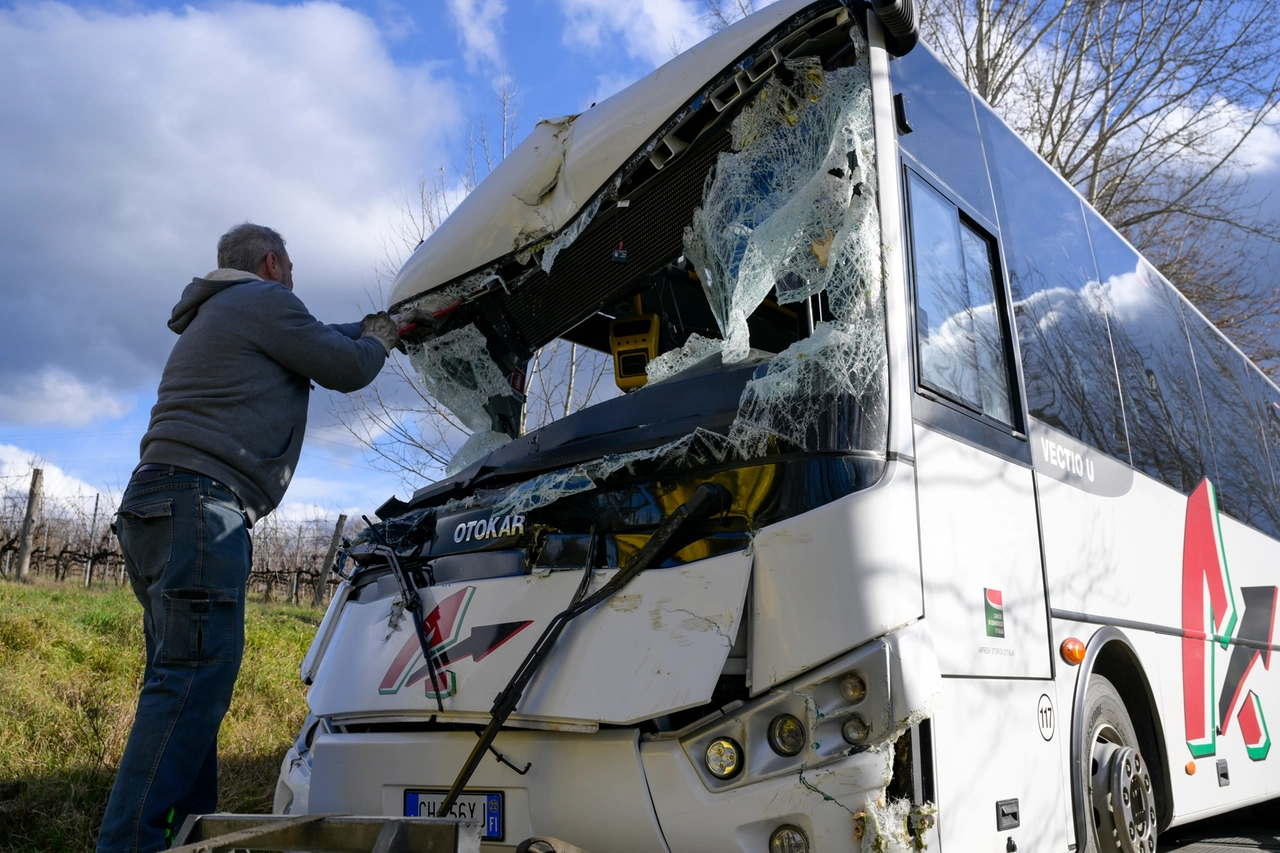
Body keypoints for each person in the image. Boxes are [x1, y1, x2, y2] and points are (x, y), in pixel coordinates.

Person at [97, 223, 401, 853]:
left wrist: (384, 330)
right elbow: (345, 364)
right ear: (272, 263)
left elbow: (320, 338)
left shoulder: (226, 310)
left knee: (186, 683)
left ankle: (188, 836)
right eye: (292, 268)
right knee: (192, 679)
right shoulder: (264, 302)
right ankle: (127, 844)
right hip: (202, 508)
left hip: (156, 508)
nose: (295, 281)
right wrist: (377, 340)